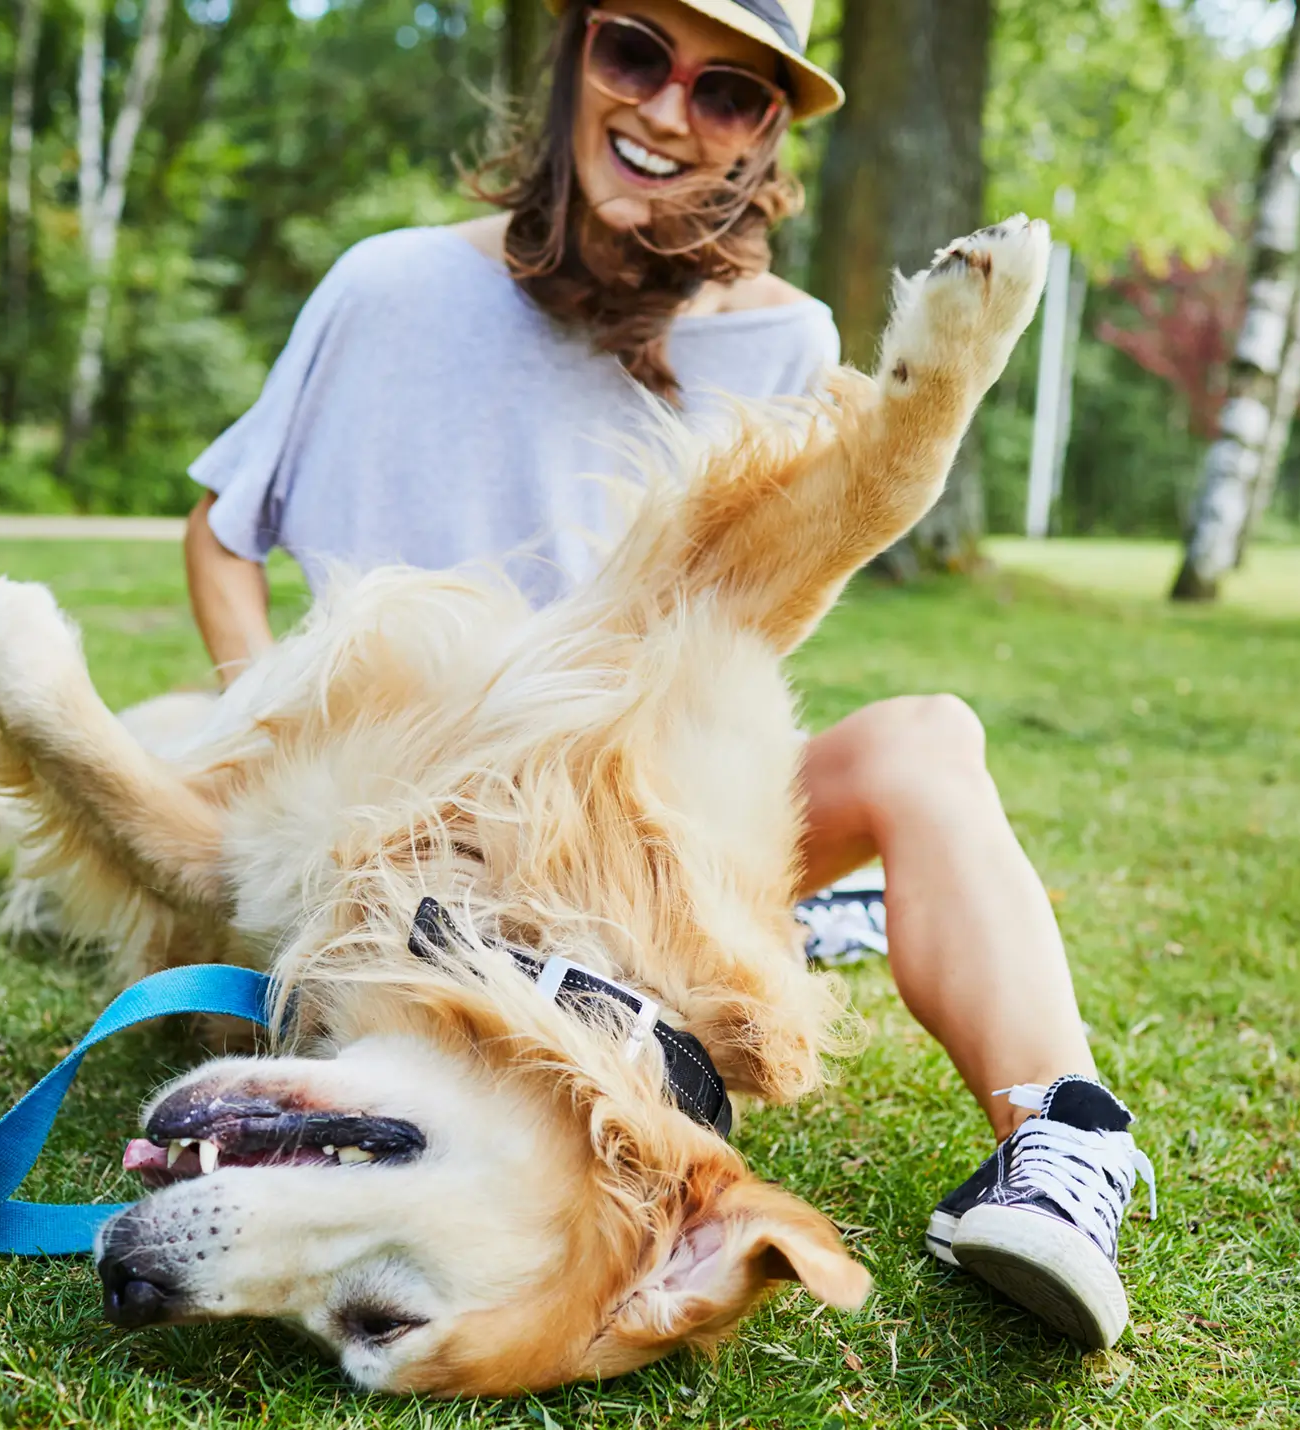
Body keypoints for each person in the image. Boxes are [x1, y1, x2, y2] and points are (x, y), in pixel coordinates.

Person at [183, 0, 1153, 1351]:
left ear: (767, 139)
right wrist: (262, 729)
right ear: (574, 51)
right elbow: (224, 535)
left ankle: (1061, 1147)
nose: (664, 113)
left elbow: (735, 641)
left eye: (730, 93)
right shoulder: (388, 284)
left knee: (927, 737)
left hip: (629, 813)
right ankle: (845, 921)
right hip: (406, 821)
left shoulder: (788, 342)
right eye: (636, 52)